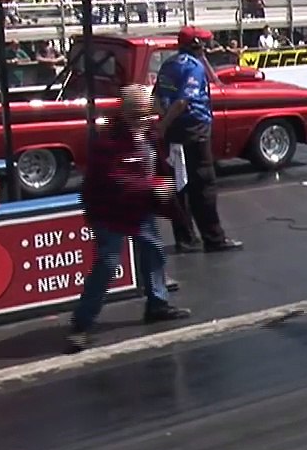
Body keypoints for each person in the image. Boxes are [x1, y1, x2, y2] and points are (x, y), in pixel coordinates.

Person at [70, 85, 190, 351]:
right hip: (109, 210)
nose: (147, 120)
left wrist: (163, 188)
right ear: (128, 114)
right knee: (107, 264)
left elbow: (153, 165)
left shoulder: (146, 134)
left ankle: (158, 303)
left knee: (154, 250)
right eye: (141, 115)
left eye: (147, 115)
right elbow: (114, 179)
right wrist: (152, 187)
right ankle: (82, 323)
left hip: (136, 207)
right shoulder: (108, 141)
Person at [154, 25, 243, 253]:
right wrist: (164, 125)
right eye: (202, 43)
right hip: (194, 129)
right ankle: (214, 238)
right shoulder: (194, 67)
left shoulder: (168, 64)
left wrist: (164, 122)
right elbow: (184, 100)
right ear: (196, 45)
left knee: (179, 184)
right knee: (203, 184)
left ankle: (186, 239)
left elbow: (157, 96)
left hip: (175, 130)